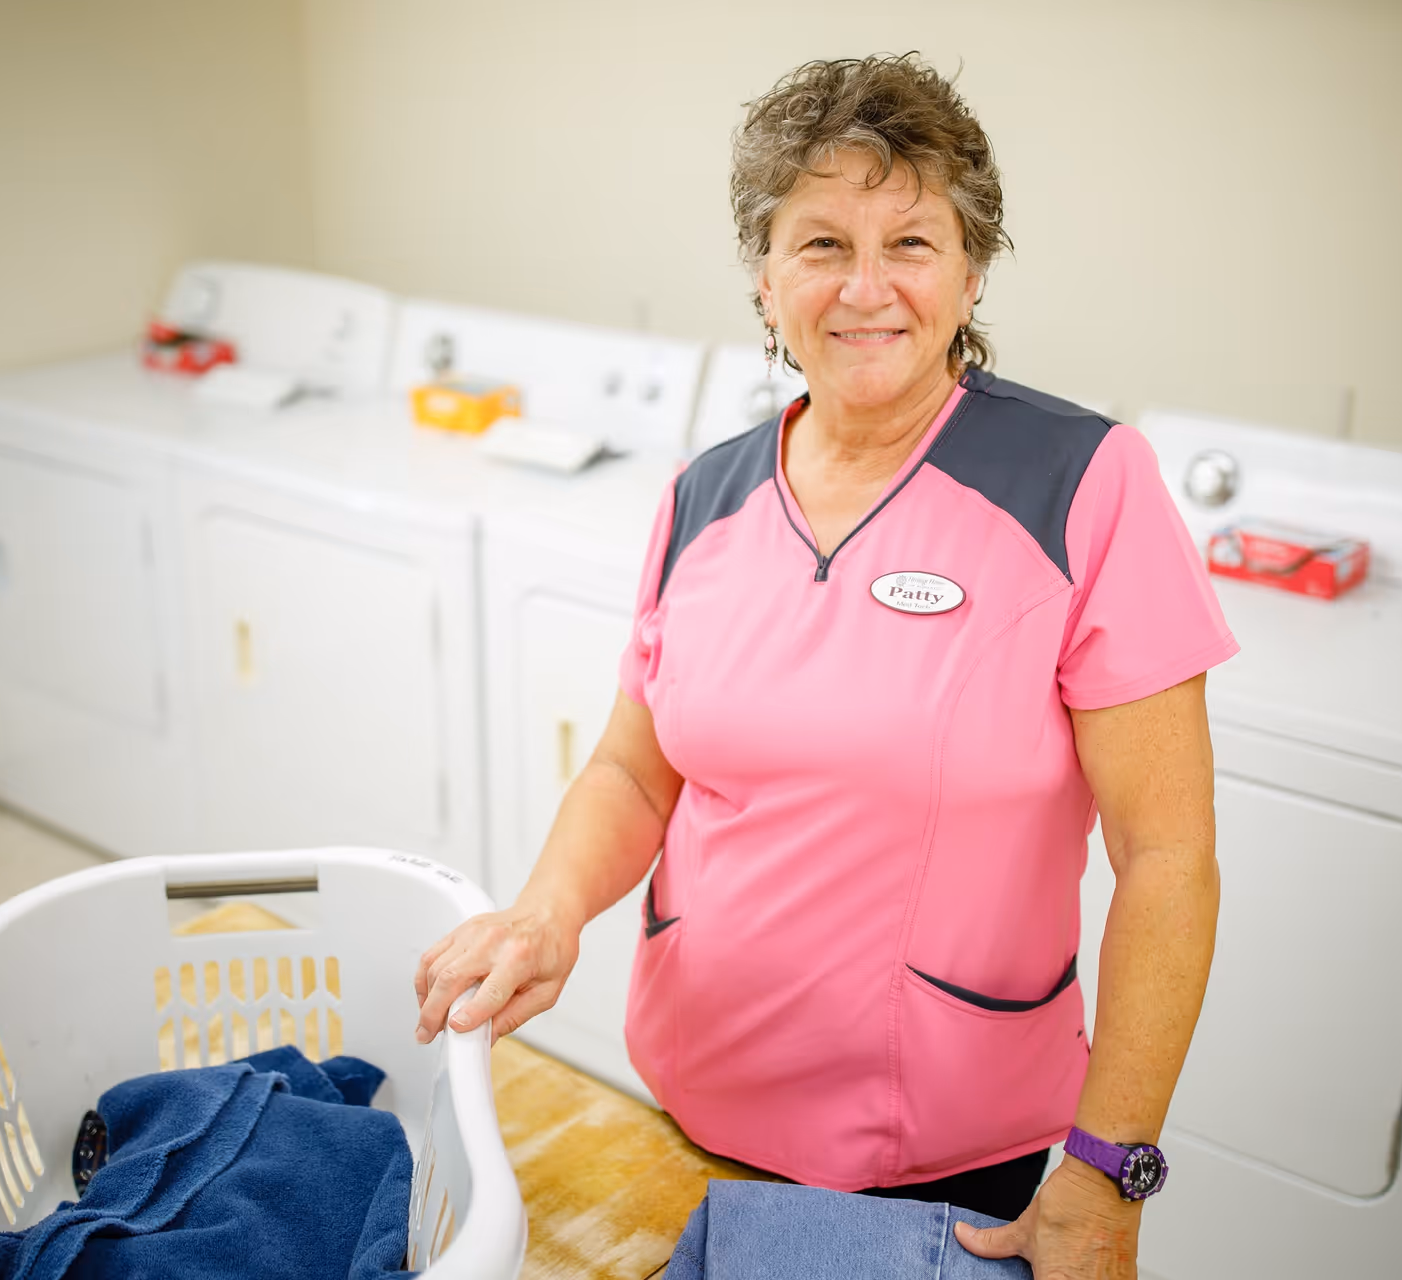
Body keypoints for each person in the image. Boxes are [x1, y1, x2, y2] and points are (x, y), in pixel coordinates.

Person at [415, 54, 1236, 1279]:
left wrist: (1110, 1172)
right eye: (819, 244)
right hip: (693, 1099)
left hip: (953, 1164)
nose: (866, 288)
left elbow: (1168, 857)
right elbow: (638, 769)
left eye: (910, 240)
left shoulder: (1082, 484)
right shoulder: (707, 495)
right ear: (765, 275)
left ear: (970, 268)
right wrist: (545, 911)